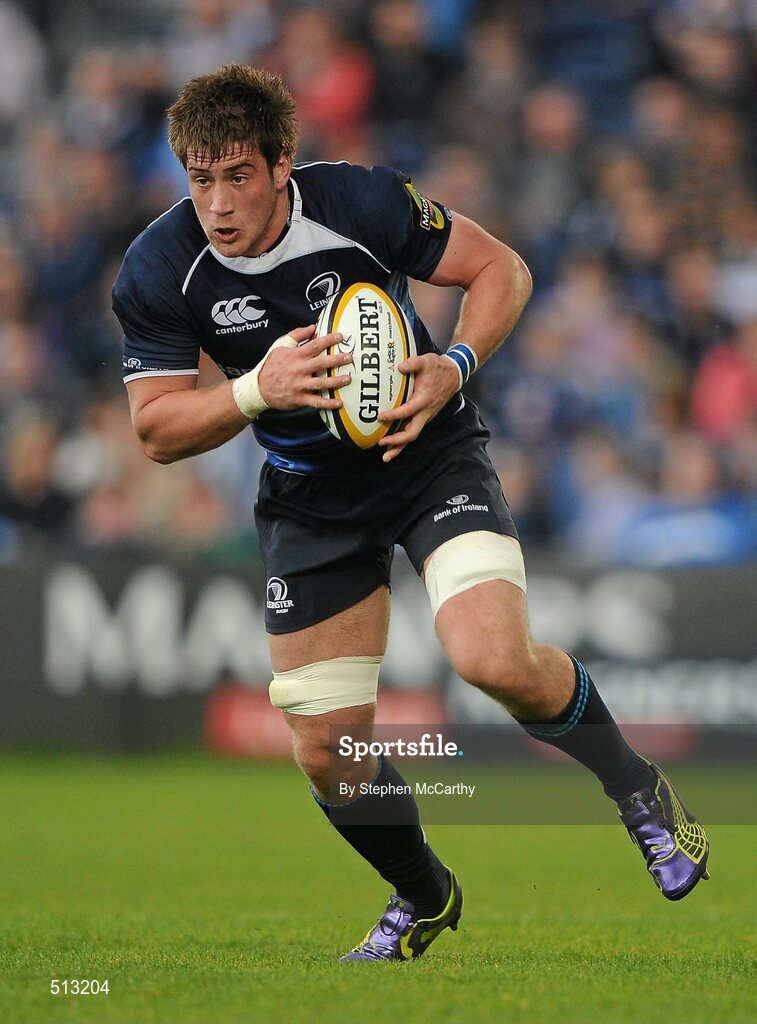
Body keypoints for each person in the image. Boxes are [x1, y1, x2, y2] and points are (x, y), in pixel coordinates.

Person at [113, 63, 710, 962]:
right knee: (325, 751)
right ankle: (422, 894)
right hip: (311, 499)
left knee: (491, 657)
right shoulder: (161, 266)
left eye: (238, 175)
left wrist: (456, 365)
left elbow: (499, 269)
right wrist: (252, 390)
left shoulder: (358, 202)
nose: (219, 203)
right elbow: (156, 428)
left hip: (426, 456)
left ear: (282, 165)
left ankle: (637, 792)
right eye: (200, 179)